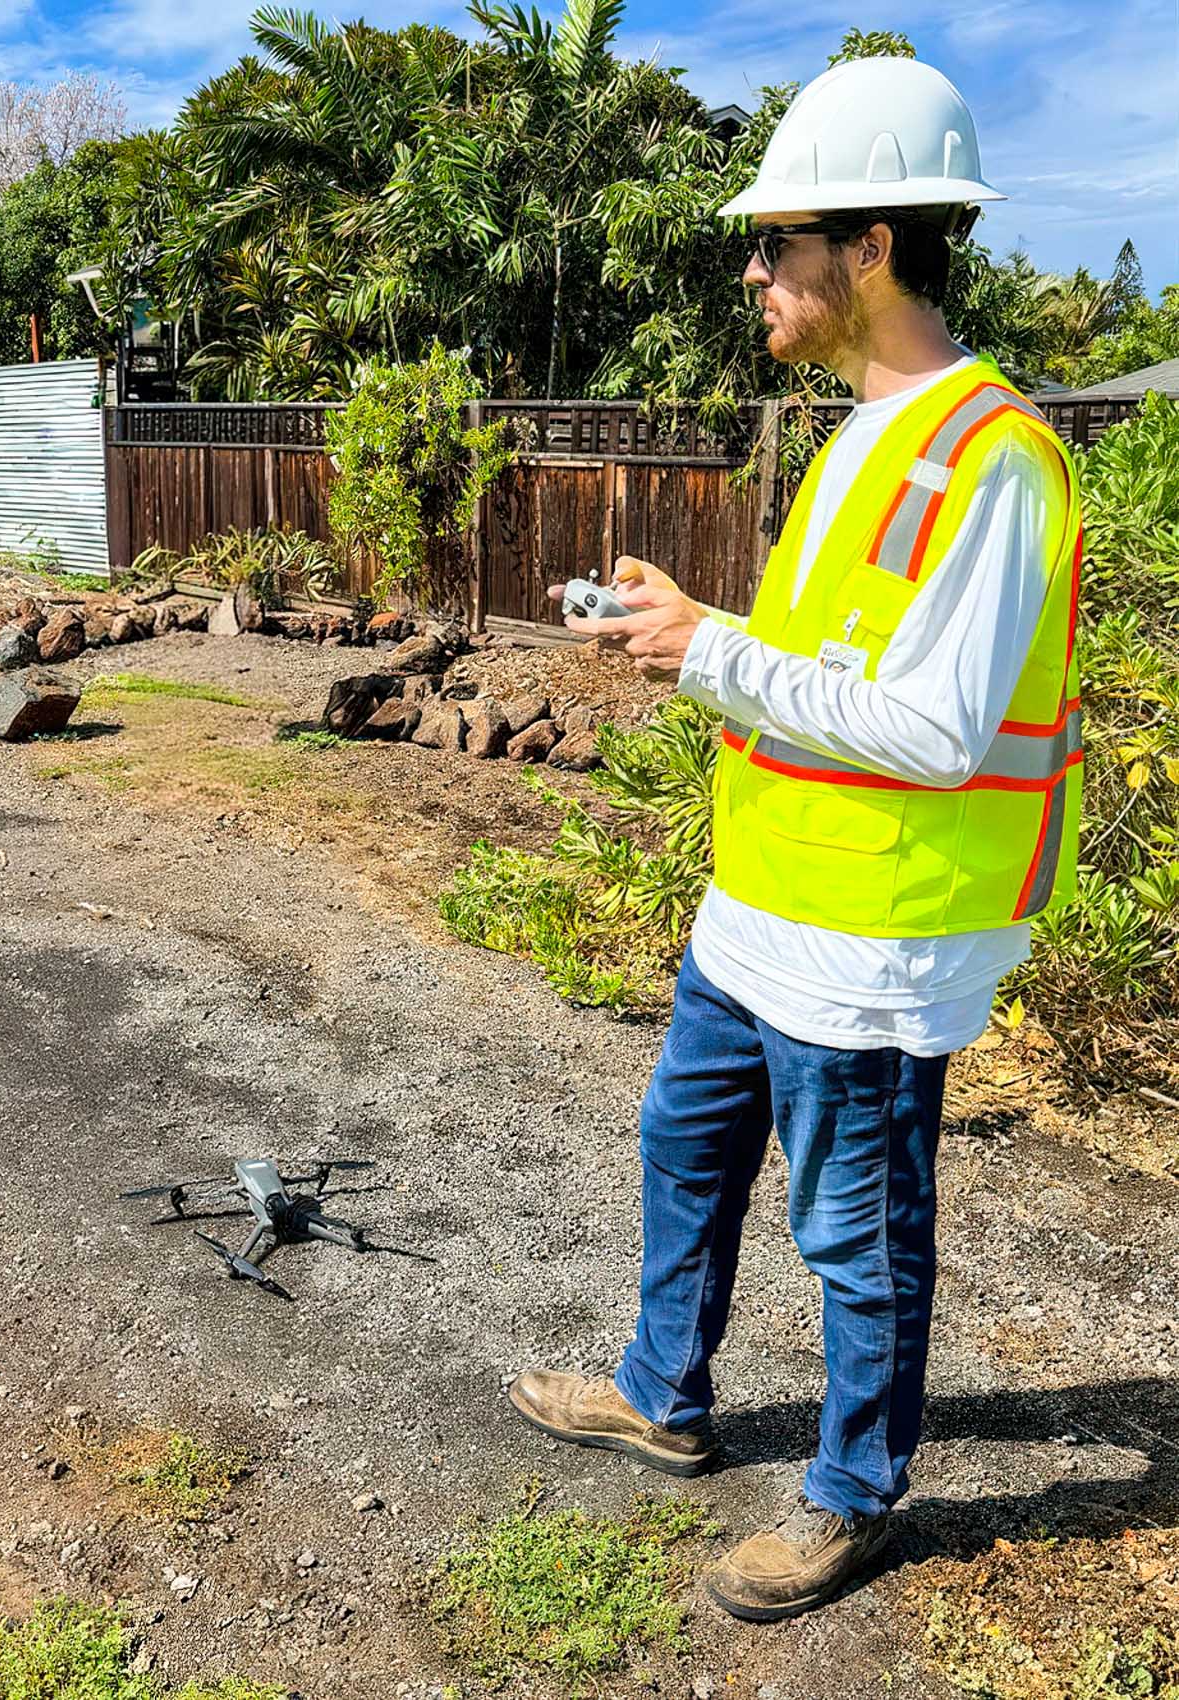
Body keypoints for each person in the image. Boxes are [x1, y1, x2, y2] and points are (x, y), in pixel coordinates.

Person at [512, 55, 1083, 1622]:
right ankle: (661, 1395)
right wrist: (691, 629)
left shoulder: (993, 461)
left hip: (878, 933)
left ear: (875, 248)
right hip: (760, 905)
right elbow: (834, 664)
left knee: (856, 1230)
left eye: (778, 244)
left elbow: (932, 731)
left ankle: (850, 1494)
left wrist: (705, 651)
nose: (755, 271)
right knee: (680, 1156)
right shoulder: (854, 433)